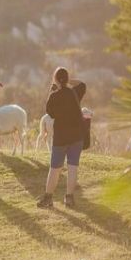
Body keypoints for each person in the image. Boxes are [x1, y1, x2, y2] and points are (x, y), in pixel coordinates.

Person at [37, 67, 86, 209]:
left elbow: (49, 112)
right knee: (73, 167)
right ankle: (69, 198)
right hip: (77, 136)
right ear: (67, 78)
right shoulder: (74, 92)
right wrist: (67, 81)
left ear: (55, 79)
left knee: (55, 168)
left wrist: (54, 89)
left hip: (61, 137)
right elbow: (82, 84)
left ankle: (48, 198)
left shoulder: (54, 96)